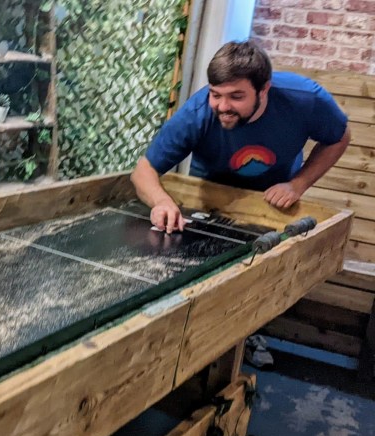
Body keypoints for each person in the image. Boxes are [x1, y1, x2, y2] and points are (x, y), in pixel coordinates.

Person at [130, 40, 351, 368]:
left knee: (258, 275)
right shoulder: (197, 113)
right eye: (216, 94)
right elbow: (143, 171)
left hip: (272, 200)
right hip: (214, 194)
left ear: (265, 90)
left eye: (236, 96)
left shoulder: (306, 100)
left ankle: (247, 333)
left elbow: (340, 137)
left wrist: (299, 184)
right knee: (205, 271)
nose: (222, 106)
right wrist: (161, 200)